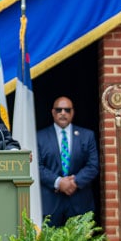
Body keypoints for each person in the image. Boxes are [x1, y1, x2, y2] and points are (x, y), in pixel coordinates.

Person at [36, 96, 99, 227]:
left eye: (67, 110)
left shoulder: (87, 135)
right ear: (53, 112)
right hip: (50, 204)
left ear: (73, 112)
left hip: (80, 201)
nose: (63, 113)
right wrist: (59, 182)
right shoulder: (39, 137)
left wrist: (74, 182)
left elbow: (93, 165)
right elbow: (37, 167)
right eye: (59, 110)